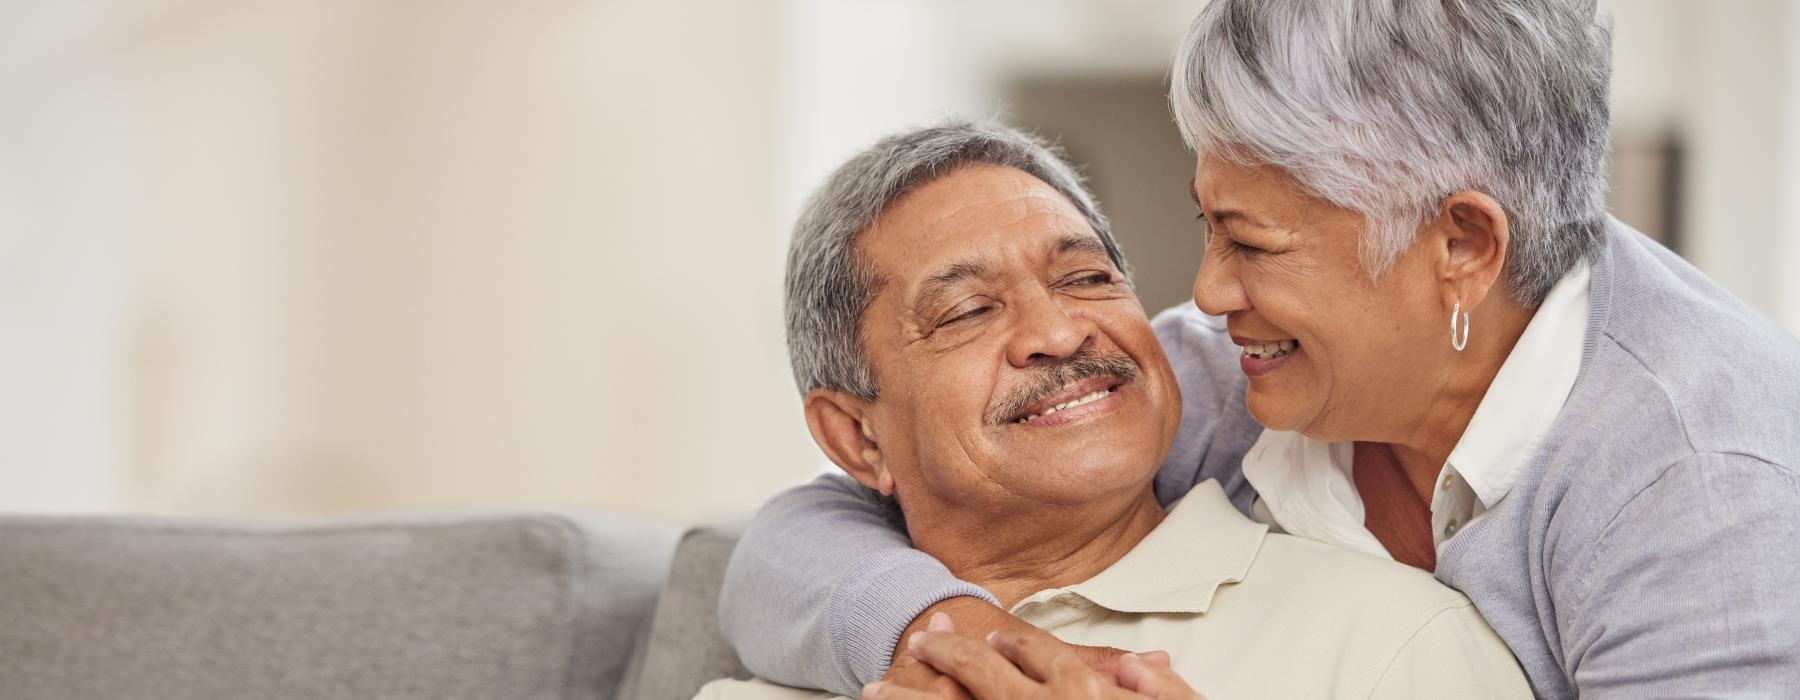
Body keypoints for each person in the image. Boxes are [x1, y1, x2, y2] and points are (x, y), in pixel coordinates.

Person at [719, 1, 1800, 698]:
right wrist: (936, 624)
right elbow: (812, 522)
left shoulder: (1703, 486)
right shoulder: (1227, 380)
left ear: (1462, 243)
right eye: (1206, 225)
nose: (1204, 294)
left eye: (1252, 242)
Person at [700, 122, 1529, 700]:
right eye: (967, 312)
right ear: (856, 436)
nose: (1059, 332)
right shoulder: (771, 682)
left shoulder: (1393, 641)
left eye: (1086, 277)